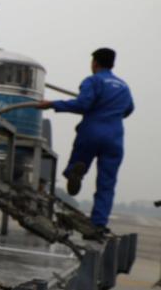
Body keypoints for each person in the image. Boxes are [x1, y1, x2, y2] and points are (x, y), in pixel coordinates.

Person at [37, 48, 134, 232]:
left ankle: (75, 171)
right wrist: (112, 113)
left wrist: (52, 104)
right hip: (114, 136)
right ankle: (98, 224)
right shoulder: (123, 86)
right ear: (112, 64)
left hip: (92, 131)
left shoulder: (93, 80)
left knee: (80, 156)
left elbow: (83, 104)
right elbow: (129, 109)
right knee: (107, 183)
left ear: (95, 63)